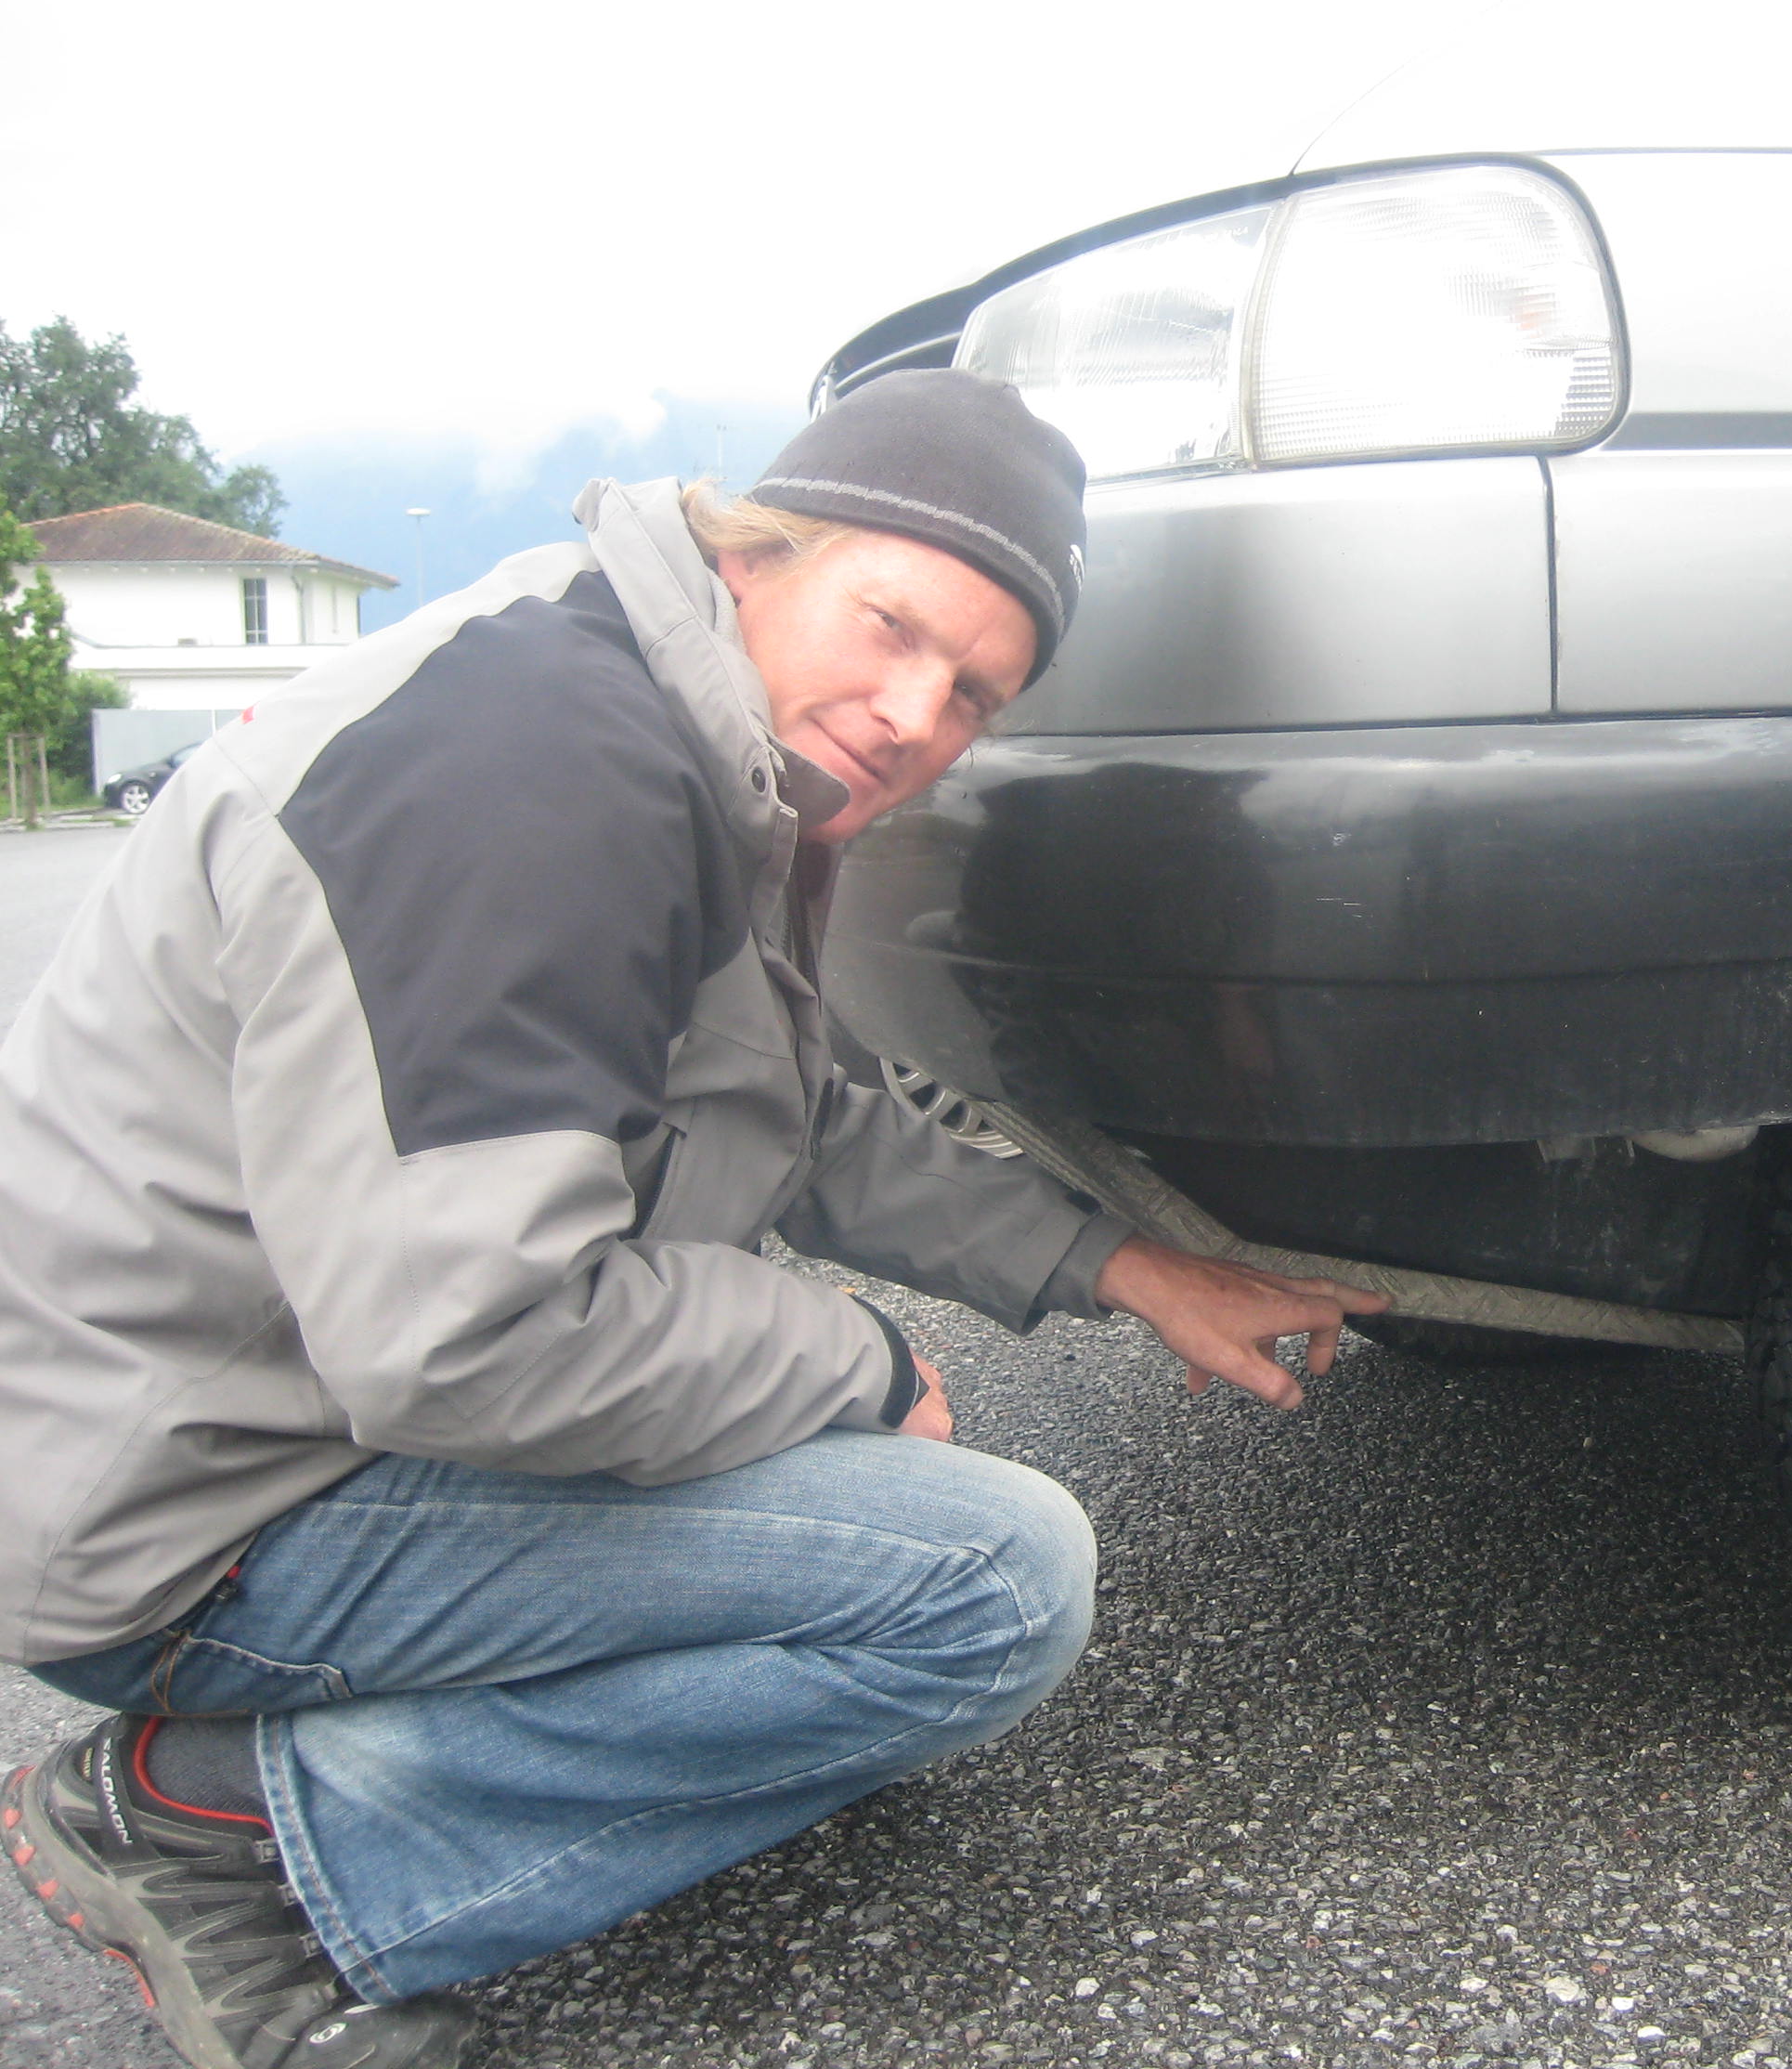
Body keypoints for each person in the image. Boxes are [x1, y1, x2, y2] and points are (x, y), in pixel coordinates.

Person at [0, 371, 1385, 2069]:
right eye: (891, 626)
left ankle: (523, 1742)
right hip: (188, 1510)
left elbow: (793, 1118)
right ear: (754, 553)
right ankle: (231, 1832)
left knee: (846, 1491)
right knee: (984, 1577)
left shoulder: (652, 717)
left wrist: (1126, 1265)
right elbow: (469, 1336)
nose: (914, 712)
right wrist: (855, 1360)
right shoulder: (532, 772)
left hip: (243, 1418)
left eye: (972, 693)